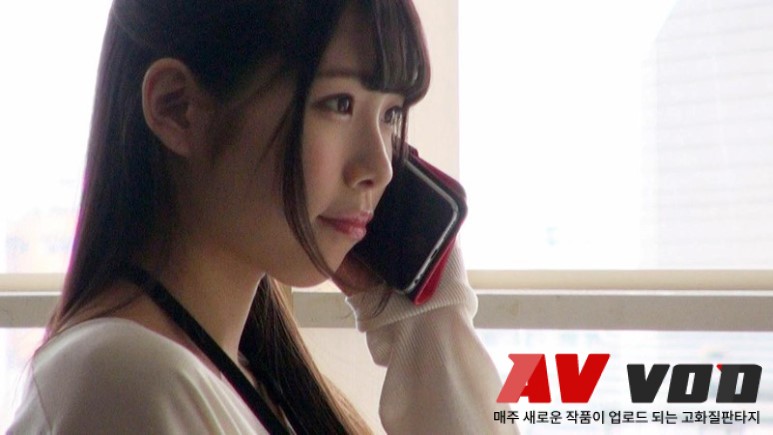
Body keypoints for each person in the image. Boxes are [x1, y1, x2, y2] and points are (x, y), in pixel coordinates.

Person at [9, 0, 515, 434]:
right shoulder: (123, 382)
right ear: (177, 108)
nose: (380, 166)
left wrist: (426, 322)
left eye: (390, 115)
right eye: (338, 104)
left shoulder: (238, 376)